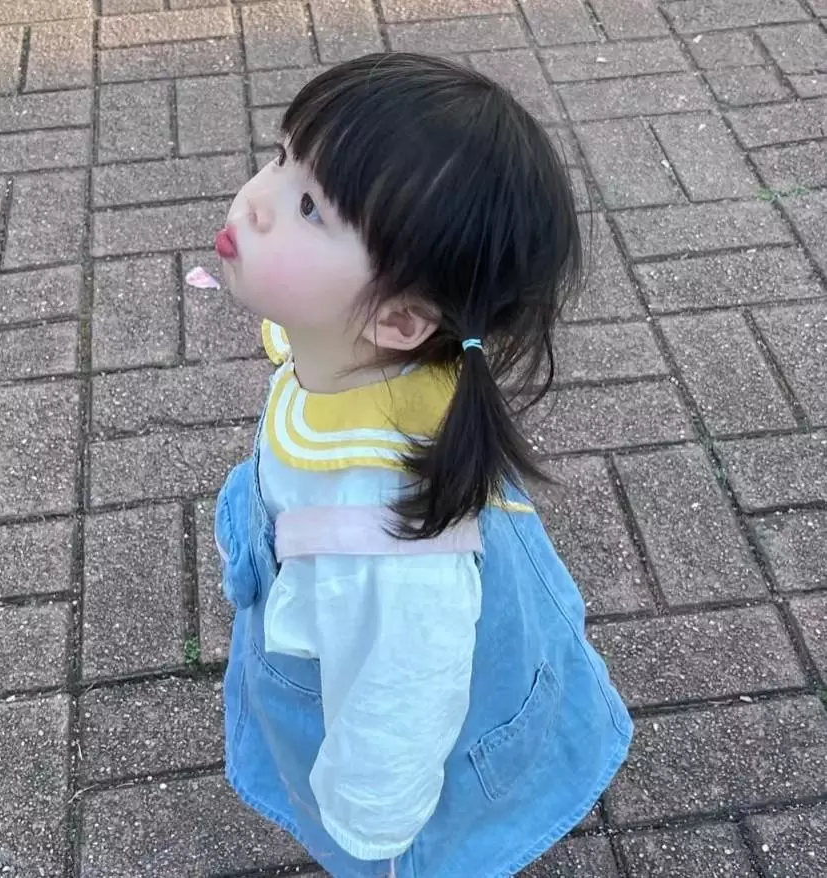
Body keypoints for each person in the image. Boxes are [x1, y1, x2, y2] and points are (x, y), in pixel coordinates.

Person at [213, 53, 632, 878]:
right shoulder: (340, 348)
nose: (257, 200)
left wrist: (371, 831)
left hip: (415, 717)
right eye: (281, 155)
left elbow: (397, 708)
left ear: (402, 321)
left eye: (309, 208)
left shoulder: (391, 553)